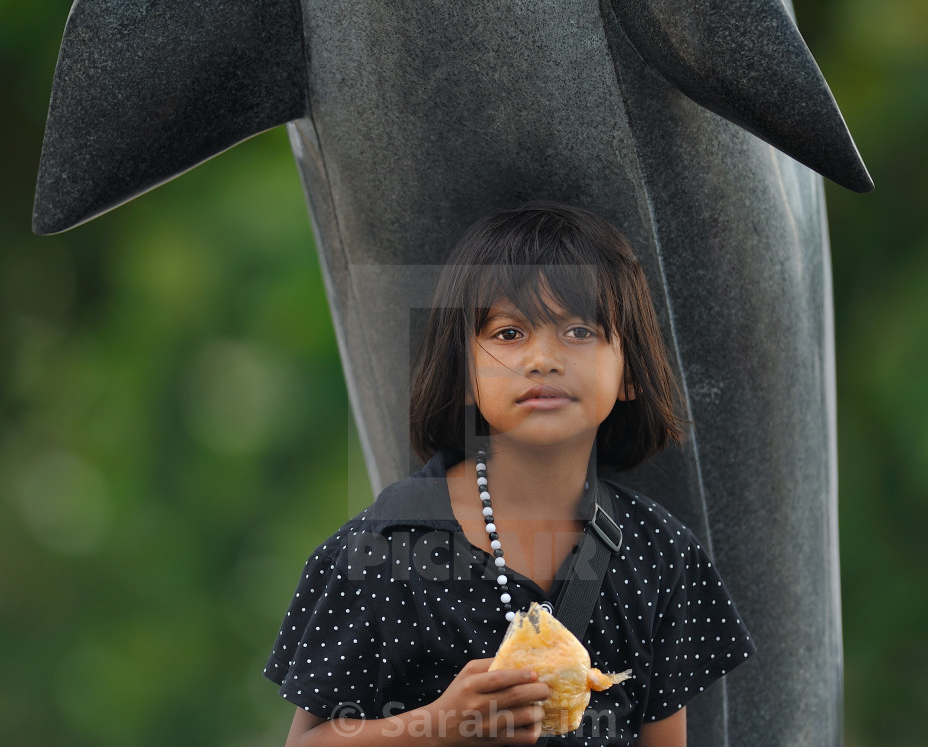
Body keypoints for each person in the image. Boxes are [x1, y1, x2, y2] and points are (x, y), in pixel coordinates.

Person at [264, 202, 755, 746]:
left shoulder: (661, 555)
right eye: (508, 334)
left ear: (630, 372)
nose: (542, 358)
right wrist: (438, 727)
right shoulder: (382, 550)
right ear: (463, 372)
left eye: (578, 330)